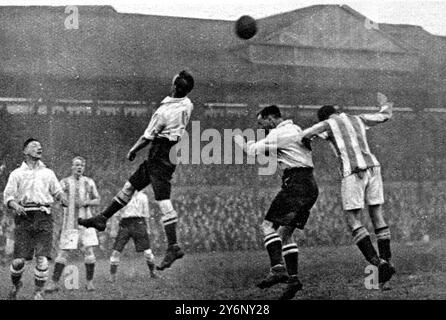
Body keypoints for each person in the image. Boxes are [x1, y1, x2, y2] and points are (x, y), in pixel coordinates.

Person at [78, 70, 194, 270]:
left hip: (160, 154)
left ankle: (173, 246)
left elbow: (147, 137)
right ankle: (102, 218)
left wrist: (133, 150)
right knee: (130, 186)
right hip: (168, 152)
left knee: (163, 200)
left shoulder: (163, 112)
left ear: (174, 87)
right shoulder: (188, 104)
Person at [300, 93, 395, 286]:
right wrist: (385, 103)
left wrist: (307, 141)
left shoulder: (327, 124)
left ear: (324, 117)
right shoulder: (357, 118)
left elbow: (305, 134)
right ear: (337, 111)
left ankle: (377, 263)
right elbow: (385, 115)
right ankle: (387, 262)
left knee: (352, 219)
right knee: (377, 215)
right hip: (374, 167)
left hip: (353, 171)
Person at [234, 105, 319, 300]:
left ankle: (277, 269)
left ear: (271, 118)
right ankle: (294, 279)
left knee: (267, 226)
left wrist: (239, 141)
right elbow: (278, 152)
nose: (260, 127)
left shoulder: (279, 133)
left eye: (261, 123)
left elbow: (251, 151)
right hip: (309, 184)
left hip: (296, 183)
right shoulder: (295, 129)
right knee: (285, 233)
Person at [3, 138, 67, 300]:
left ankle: (38, 292)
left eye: (40, 146)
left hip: (43, 216)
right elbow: (8, 196)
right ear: (25, 151)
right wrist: (15, 205)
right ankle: (16, 284)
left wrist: (62, 197)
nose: (39, 148)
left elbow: (57, 191)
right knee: (18, 262)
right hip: (24, 217)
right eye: (34, 146)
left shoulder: (48, 173)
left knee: (42, 258)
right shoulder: (16, 174)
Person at [45, 156, 101, 293]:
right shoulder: (64, 182)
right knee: (63, 252)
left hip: (86, 223)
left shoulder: (89, 182)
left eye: (81, 165)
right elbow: (55, 195)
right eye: (77, 165)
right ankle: (54, 283)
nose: (79, 167)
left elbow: (97, 199)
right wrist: (63, 202)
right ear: (72, 167)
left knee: (89, 251)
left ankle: (89, 283)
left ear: (84, 167)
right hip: (70, 223)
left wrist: (87, 202)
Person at [109, 190, 157, 282]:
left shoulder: (143, 196)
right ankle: (112, 276)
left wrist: (148, 228)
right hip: (125, 224)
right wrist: (113, 229)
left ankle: (152, 272)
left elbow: (146, 214)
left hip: (139, 223)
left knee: (147, 252)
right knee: (116, 251)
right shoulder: (121, 196)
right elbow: (115, 214)